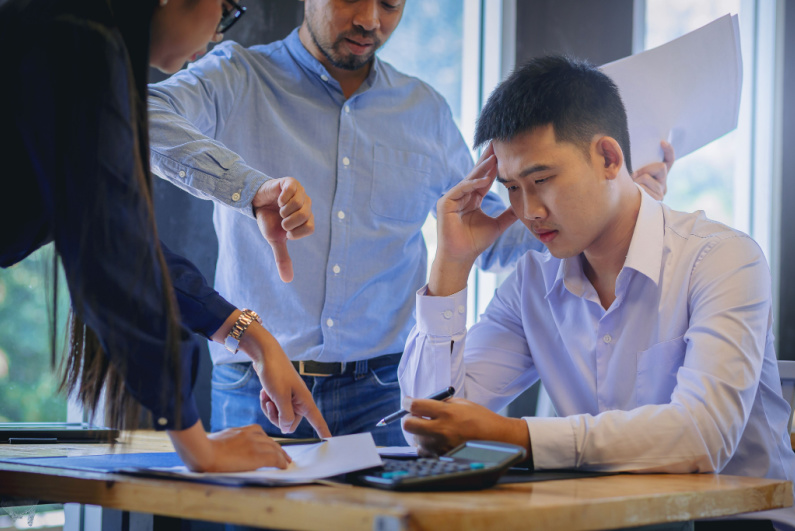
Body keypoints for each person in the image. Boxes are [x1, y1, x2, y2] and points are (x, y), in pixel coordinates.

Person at [147, 0, 672, 445]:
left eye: (392, 4)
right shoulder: (236, 75)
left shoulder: (424, 110)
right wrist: (252, 189)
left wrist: (612, 199)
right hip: (255, 382)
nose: (370, 20)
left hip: (383, 390)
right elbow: (141, 120)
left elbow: (490, 240)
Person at [398, 55, 795, 530]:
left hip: (735, 522)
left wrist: (518, 436)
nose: (528, 211)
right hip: (608, 519)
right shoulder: (530, 284)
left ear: (608, 158)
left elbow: (702, 437)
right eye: (511, 188)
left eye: (542, 180)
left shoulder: (723, 259)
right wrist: (452, 265)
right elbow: (427, 424)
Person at [0, 0, 330, 473]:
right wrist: (200, 448)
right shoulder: (76, 38)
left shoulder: (76, 34)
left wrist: (249, 335)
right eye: (229, 9)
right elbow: (114, 254)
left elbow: (126, 240)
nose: (220, 32)